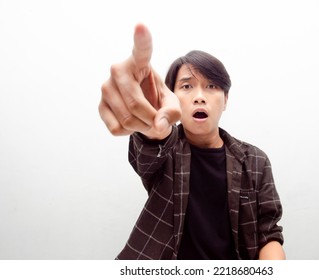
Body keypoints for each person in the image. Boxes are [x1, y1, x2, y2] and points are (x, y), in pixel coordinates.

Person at [99, 24, 285, 260]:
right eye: (186, 86)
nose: (199, 96)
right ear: (171, 98)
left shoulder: (255, 160)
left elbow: (268, 234)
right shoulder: (167, 151)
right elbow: (148, 150)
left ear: (225, 99)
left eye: (211, 86)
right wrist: (151, 126)